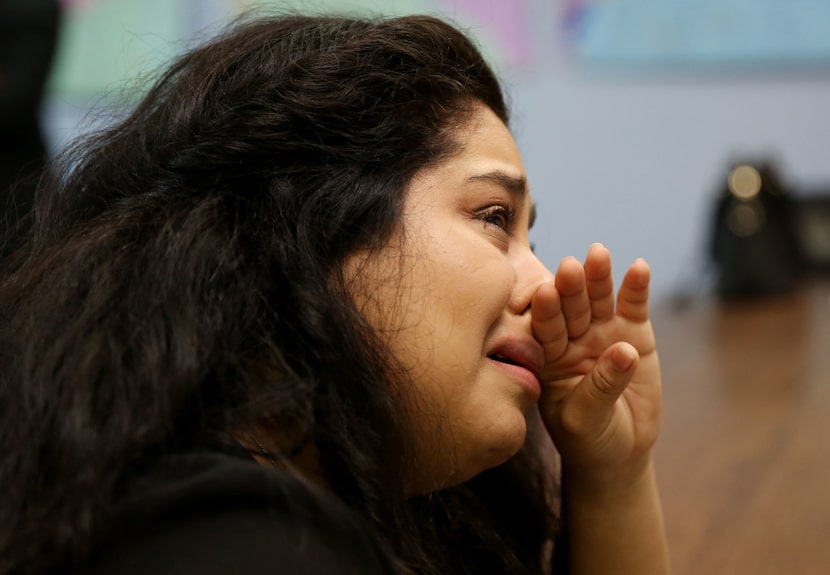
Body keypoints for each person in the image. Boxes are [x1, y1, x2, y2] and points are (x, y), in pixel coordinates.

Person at [0, 13, 670, 575]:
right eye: (494, 218)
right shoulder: (227, 544)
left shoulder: (358, 503)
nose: (545, 284)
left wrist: (613, 476)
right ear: (315, 225)